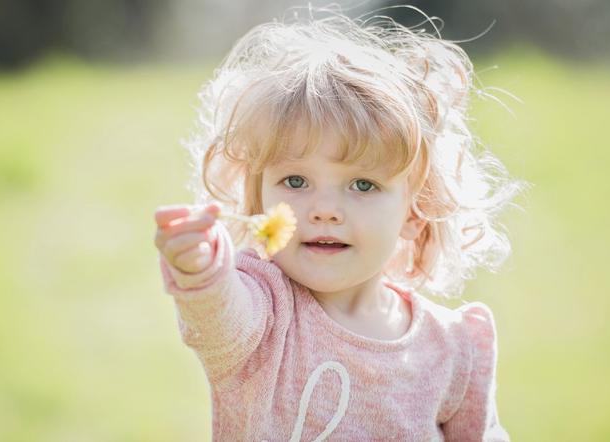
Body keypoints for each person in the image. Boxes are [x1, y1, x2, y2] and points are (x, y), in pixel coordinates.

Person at [153, 6, 525, 441]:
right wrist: (201, 268)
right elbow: (218, 316)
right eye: (296, 181)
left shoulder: (453, 349)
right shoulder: (264, 314)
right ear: (258, 202)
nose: (324, 209)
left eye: (363, 185)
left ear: (414, 211)